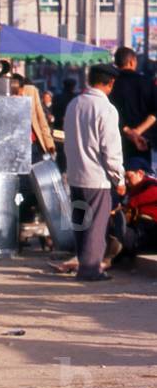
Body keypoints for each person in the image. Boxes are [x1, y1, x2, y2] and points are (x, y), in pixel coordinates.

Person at [64, 63, 125, 281]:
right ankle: (90, 270)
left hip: (75, 176)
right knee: (96, 226)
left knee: (81, 224)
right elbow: (111, 149)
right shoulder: (106, 109)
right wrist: (119, 177)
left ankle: (83, 263)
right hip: (96, 178)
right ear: (110, 83)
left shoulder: (74, 104)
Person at [109, 46, 157, 166]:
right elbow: (155, 112)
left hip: (117, 141)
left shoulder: (111, 84)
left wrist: (128, 131)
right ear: (132, 62)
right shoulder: (147, 82)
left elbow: (108, 113)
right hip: (143, 142)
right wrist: (138, 132)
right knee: (143, 179)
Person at [108, 157, 157, 258]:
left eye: (128, 177)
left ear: (140, 173)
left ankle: (123, 236)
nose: (126, 181)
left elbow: (154, 193)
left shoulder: (151, 183)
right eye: (124, 178)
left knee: (135, 237)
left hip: (151, 226)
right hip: (139, 225)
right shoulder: (133, 189)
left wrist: (129, 204)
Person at [10, 74, 56, 160]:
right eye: (13, 93)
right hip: (15, 148)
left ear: (22, 88)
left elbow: (41, 119)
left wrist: (50, 144)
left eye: (18, 92)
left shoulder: (31, 92)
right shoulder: (5, 100)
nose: (17, 96)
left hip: (33, 144)